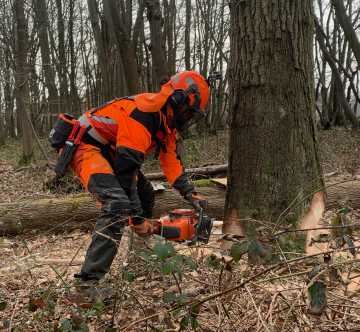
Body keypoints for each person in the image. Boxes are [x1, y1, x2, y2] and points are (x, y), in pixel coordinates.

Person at [49, 71, 210, 291]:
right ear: (179, 100)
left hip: (110, 150)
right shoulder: (145, 113)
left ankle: (140, 250)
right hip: (86, 146)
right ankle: (87, 285)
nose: (189, 118)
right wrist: (136, 219)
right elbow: (127, 175)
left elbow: (171, 162)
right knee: (117, 205)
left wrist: (191, 194)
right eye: (189, 112)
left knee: (145, 194)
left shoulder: (166, 124)